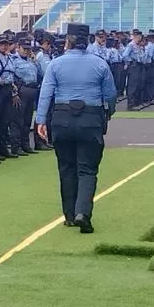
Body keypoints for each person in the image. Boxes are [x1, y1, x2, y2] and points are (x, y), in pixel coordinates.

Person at [36, 23, 117, 234]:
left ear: (67, 41)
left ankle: (70, 215)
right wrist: (107, 113)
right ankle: (83, 212)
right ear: (88, 41)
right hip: (91, 118)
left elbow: (46, 93)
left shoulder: (55, 64)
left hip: (61, 118)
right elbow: (110, 95)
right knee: (87, 169)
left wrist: (41, 120)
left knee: (66, 167)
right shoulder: (100, 64)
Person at [12, 41, 40, 155]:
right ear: (18, 47)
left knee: (28, 120)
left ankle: (25, 144)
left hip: (32, 89)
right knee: (18, 120)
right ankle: (16, 146)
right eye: (24, 48)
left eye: (29, 49)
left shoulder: (31, 61)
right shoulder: (14, 60)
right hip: (21, 89)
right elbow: (11, 77)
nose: (27, 51)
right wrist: (14, 93)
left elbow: (38, 74)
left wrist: (35, 61)